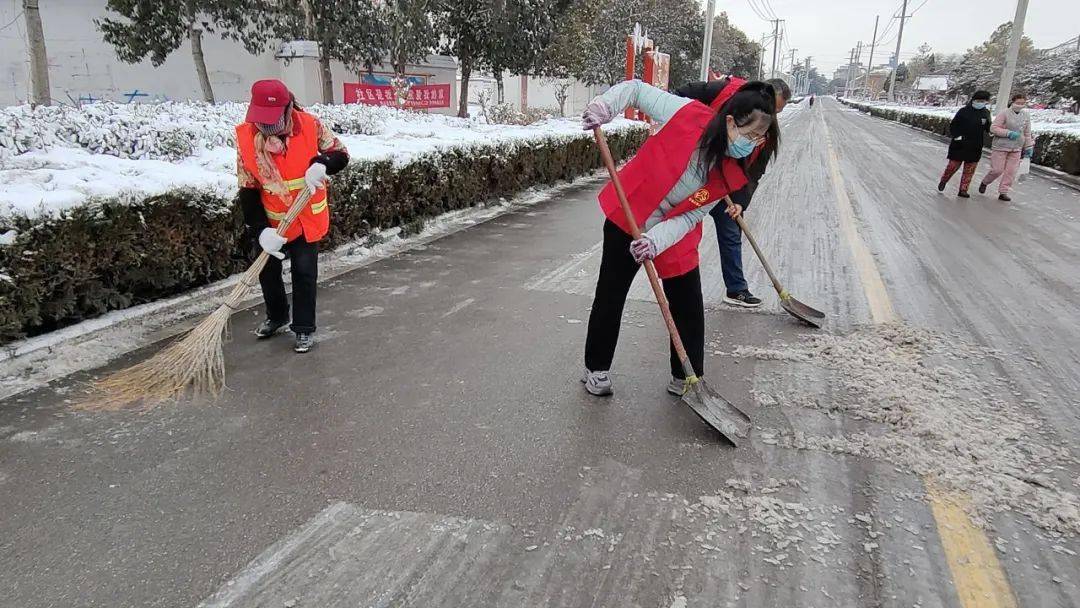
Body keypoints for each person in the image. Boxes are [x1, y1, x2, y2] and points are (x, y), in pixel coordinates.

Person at [579, 79, 779, 397]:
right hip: (632, 208)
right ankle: (597, 368)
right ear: (730, 121)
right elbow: (636, 90)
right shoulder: (687, 113)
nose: (751, 143)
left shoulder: (729, 171)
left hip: (672, 228)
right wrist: (606, 105)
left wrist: (655, 240)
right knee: (611, 291)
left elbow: (689, 216)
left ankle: (687, 377)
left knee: (687, 299)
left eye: (758, 138)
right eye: (749, 133)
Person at [235, 79, 350, 353]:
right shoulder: (246, 137)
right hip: (272, 222)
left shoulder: (310, 125)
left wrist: (322, 164)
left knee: (304, 272)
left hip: (306, 218)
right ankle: (277, 317)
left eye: (271, 120)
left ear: (287, 108)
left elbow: (341, 153)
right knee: (267, 271)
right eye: (260, 119)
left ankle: (303, 328)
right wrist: (261, 230)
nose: (265, 127)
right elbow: (247, 186)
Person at [673, 75, 791, 308]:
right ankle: (675, 284)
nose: (770, 115)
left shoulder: (766, 134)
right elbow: (679, 94)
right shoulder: (724, 91)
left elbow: (754, 171)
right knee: (681, 229)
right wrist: (694, 127)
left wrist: (740, 203)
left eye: (776, 112)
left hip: (725, 183)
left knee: (731, 231)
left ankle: (736, 289)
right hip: (692, 172)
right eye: (769, 107)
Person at [978, 93, 1034, 202]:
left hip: (1016, 147)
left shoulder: (1026, 115)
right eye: (1018, 103)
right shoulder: (1004, 113)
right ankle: (985, 182)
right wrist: (1008, 133)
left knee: (1011, 171)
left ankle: (1003, 192)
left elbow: (1027, 133)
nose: (1020, 105)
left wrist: (1028, 146)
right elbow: (993, 128)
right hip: (1001, 146)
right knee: (997, 170)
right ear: (1012, 102)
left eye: (1023, 103)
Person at [938, 90, 992, 198]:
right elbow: (954, 125)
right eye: (978, 100)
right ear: (973, 100)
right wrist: (957, 137)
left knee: (969, 170)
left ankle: (963, 190)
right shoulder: (963, 111)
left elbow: (988, 128)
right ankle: (944, 180)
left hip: (975, 145)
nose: (980, 102)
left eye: (983, 101)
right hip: (960, 144)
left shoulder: (986, 113)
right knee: (952, 166)